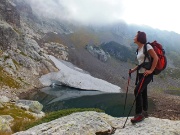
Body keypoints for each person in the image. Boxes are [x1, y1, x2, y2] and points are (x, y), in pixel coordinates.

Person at [129, 31, 158, 123]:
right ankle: (144, 112)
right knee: (143, 92)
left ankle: (139, 115)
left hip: (147, 74)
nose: (134, 37)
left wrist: (151, 70)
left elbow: (156, 58)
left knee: (137, 91)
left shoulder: (147, 46)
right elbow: (141, 63)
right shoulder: (139, 49)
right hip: (141, 74)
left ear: (139, 38)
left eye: (135, 36)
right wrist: (133, 70)